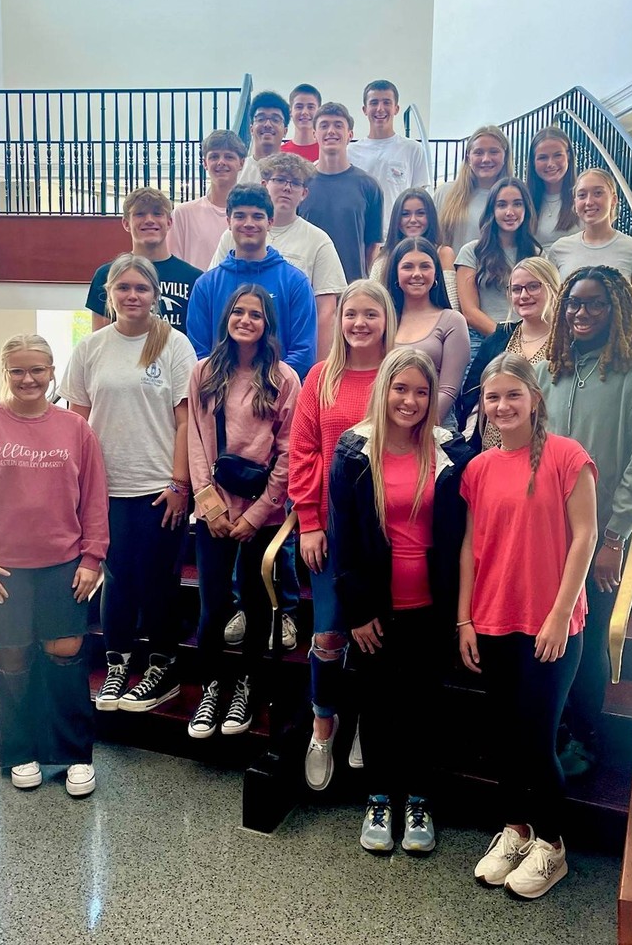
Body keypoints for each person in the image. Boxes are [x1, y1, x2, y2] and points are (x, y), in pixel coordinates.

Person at [0, 334, 109, 797]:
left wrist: (93, 556)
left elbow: (95, 497)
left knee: (65, 653)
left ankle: (75, 753)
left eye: (37, 369)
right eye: (17, 370)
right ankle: (20, 751)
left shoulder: (75, 430)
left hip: (63, 564)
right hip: (2, 570)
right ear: (6, 373)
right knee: (12, 657)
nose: (28, 379)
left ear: (52, 370)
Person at [459, 353, 598, 899]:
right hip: (493, 618)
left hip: (550, 623)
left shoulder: (568, 457)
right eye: (493, 397)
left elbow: (584, 536)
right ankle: (516, 829)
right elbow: (472, 547)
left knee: (538, 739)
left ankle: (553, 845)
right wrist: (465, 618)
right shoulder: (478, 468)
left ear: (535, 399)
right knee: (504, 736)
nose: (502, 406)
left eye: (513, 395)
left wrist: (561, 614)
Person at [329, 348, 472, 854]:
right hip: (375, 611)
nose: (409, 400)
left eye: (421, 391)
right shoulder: (352, 451)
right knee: (377, 708)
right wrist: (357, 610)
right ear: (384, 390)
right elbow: (341, 537)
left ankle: (418, 801)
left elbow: (463, 538)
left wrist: (461, 614)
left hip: (430, 608)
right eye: (401, 389)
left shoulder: (452, 451)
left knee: (422, 709)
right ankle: (378, 799)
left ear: (433, 398)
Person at [536, 265, 632, 775]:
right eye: (573, 303)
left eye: (595, 303)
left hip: (600, 535)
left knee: (586, 637)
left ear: (618, 307)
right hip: (543, 530)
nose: (581, 312)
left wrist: (613, 536)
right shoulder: (553, 366)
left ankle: (584, 736)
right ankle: (547, 727)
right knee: (544, 631)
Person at [60, 253, 197, 712]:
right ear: (109, 294)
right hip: (104, 488)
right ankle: (118, 663)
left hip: (160, 486)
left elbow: (185, 422)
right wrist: (77, 487)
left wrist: (181, 484)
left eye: (141, 288)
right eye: (124, 288)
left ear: (155, 294)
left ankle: (162, 666)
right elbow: (76, 423)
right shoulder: (90, 349)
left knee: (159, 581)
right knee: (115, 578)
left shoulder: (174, 345)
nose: (132, 295)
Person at [289, 279, 397, 791]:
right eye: (351, 314)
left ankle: (369, 725)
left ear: (385, 320)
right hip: (332, 531)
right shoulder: (319, 377)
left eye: (370, 314)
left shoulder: (398, 375)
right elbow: (304, 451)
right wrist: (309, 520)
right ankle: (323, 726)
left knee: (377, 637)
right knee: (330, 636)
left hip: (390, 529)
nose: (358, 323)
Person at [186, 285, 300, 738]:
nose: (246, 320)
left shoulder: (284, 379)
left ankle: (247, 689)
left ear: (267, 324)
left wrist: (257, 514)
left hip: (261, 513)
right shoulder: (204, 373)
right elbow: (195, 439)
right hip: (213, 510)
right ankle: (213, 686)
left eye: (255, 314)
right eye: (239, 311)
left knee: (256, 606)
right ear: (227, 319)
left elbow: (289, 452)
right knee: (212, 606)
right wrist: (209, 505)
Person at [209, 153, 346, 361]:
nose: (287, 188)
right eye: (280, 180)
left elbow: (326, 313)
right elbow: (216, 292)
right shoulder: (232, 235)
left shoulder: (319, 240)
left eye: (295, 183)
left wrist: (316, 372)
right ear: (264, 184)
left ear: (304, 193)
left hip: (288, 362)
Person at [187, 183, 317, 381]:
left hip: (276, 400)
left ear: (270, 222)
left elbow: (304, 351)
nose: (249, 223)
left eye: (257, 216)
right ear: (228, 221)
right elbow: (198, 351)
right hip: (220, 398)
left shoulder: (295, 282)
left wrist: (265, 387)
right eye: (240, 216)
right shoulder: (206, 285)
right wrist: (231, 390)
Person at [459, 257, 560, 450]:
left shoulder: (567, 341)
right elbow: (472, 395)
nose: (524, 295)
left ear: (553, 287)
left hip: (546, 447)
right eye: (516, 289)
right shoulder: (498, 339)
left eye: (533, 286)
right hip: (493, 449)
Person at [546, 168, 632, 335]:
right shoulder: (559, 250)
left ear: (613, 200)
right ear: (575, 203)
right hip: (570, 352)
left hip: (618, 353)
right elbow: (552, 311)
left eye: (598, 193)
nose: (589, 202)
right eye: (582, 195)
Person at [85, 187, 202, 334]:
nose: (149, 220)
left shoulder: (194, 278)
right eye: (140, 214)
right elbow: (100, 341)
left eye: (157, 213)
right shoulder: (107, 275)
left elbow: (200, 339)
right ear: (126, 223)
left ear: (169, 222)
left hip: (176, 356)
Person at [384, 237, 470, 427]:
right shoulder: (384, 320)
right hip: (385, 427)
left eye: (425, 266)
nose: (417, 274)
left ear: (436, 273)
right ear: (395, 274)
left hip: (436, 428)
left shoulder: (452, 321)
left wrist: (416, 429)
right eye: (407, 267)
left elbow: (448, 390)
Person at [455, 177, 541, 359]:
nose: (510, 212)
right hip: (483, 342)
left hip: (530, 342)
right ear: (492, 211)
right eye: (501, 205)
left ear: (526, 209)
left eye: (517, 204)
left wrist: (523, 342)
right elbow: (470, 312)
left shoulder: (538, 254)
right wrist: (508, 340)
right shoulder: (472, 252)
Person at [299, 101, 384, 281]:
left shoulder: (369, 186)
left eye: (338, 125)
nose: (331, 131)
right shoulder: (301, 183)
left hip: (352, 290)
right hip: (308, 287)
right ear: (315, 134)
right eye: (324, 125)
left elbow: (372, 245)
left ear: (349, 135)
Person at [347, 79, 430, 235]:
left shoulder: (413, 149)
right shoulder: (350, 151)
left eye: (386, 102)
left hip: (398, 239)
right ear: (365, 109)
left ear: (396, 108)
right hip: (361, 237)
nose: (380, 109)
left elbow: (419, 200)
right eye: (374, 103)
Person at [167, 129, 247, 270]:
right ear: (205, 163)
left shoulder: (251, 217)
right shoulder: (183, 213)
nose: (221, 162)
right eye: (214, 157)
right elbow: (174, 266)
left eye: (229, 157)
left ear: (241, 163)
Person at [369, 187, 458, 308]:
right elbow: (372, 301)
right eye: (405, 214)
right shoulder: (384, 259)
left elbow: (452, 303)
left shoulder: (443, 254)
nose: (413, 220)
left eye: (420, 213)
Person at [435, 125, 514, 254]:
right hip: (451, 272)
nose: (486, 159)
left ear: (505, 156)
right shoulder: (444, 193)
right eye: (478, 152)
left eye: (494, 152)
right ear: (468, 157)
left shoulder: (516, 199)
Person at [525, 126, 581, 250]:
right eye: (543, 157)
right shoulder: (523, 201)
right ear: (533, 161)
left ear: (569, 156)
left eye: (557, 155)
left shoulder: (584, 198)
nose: (550, 164)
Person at [238, 91, 290, 184]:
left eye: (275, 120)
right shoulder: (237, 171)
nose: (267, 125)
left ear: (285, 131)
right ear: (251, 129)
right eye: (261, 119)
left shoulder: (294, 172)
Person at [281, 84, 322, 162]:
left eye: (310, 107)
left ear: (319, 111)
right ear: (291, 112)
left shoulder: (327, 152)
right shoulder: (280, 154)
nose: (305, 112)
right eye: (299, 107)